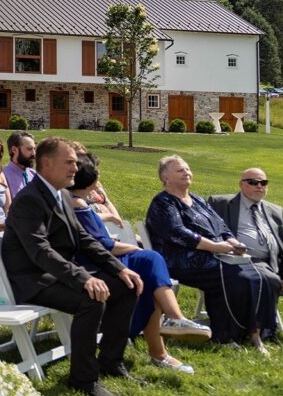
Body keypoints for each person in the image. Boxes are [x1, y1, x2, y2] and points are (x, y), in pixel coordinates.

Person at [2, 137, 143, 396]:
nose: (75, 169)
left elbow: (84, 240)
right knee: (91, 300)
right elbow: (40, 251)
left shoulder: (62, 195)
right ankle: (83, 379)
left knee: (127, 286)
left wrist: (117, 268)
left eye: (75, 163)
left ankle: (111, 361)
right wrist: (84, 278)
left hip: (57, 274)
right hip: (34, 280)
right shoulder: (29, 200)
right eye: (69, 163)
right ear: (46, 164)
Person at [69, 156, 210, 374]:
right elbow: (102, 245)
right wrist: (134, 248)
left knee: (150, 270)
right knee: (149, 261)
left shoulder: (82, 201)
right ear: (90, 179)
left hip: (104, 256)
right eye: (97, 173)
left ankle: (170, 330)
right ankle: (167, 333)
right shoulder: (76, 204)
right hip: (95, 262)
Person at [146, 155, 277, 350]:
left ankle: (257, 331)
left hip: (213, 255)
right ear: (165, 178)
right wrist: (216, 247)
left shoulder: (196, 199)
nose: (187, 173)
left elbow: (221, 225)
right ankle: (226, 335)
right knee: (235, 276)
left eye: (188, 169)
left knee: (260, 276)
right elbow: (179, 234)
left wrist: (233, 241)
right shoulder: (163, 202)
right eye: (180, 170)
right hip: (180, 260)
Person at [209, 168, 283, 295]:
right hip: (240, 263)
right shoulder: (220, 203)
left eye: (263, 183)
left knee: (269, 279)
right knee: (267, 280)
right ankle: (266, 314)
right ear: (241, 184)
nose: (259, 186)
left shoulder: (276, 211)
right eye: (253, 182)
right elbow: (208, 232)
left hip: (275, 265)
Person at [4, 131, 37, 199]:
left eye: (34, 149)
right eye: (29, 149)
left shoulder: (34, 175)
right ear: (14, 150)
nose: (34, 153)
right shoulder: (3, 176)